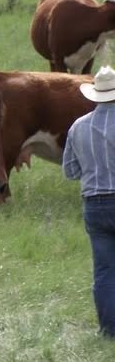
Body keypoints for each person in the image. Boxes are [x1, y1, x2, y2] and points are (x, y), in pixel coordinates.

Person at [63, 64, 115, 338]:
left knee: (105, 272)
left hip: (94, 204)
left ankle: (109, 330)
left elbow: (70, 171)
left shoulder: (78, 127)